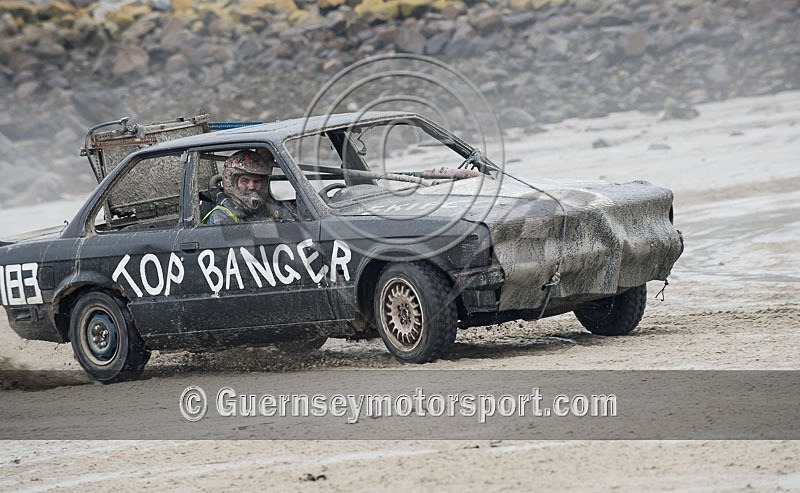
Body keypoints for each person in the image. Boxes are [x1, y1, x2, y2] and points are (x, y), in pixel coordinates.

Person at [202, 149, 282, 225]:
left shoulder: (266, 208)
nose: (251, 186)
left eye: (257, 181)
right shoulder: (220, 217)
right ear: (231, 183)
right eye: (245, 181)